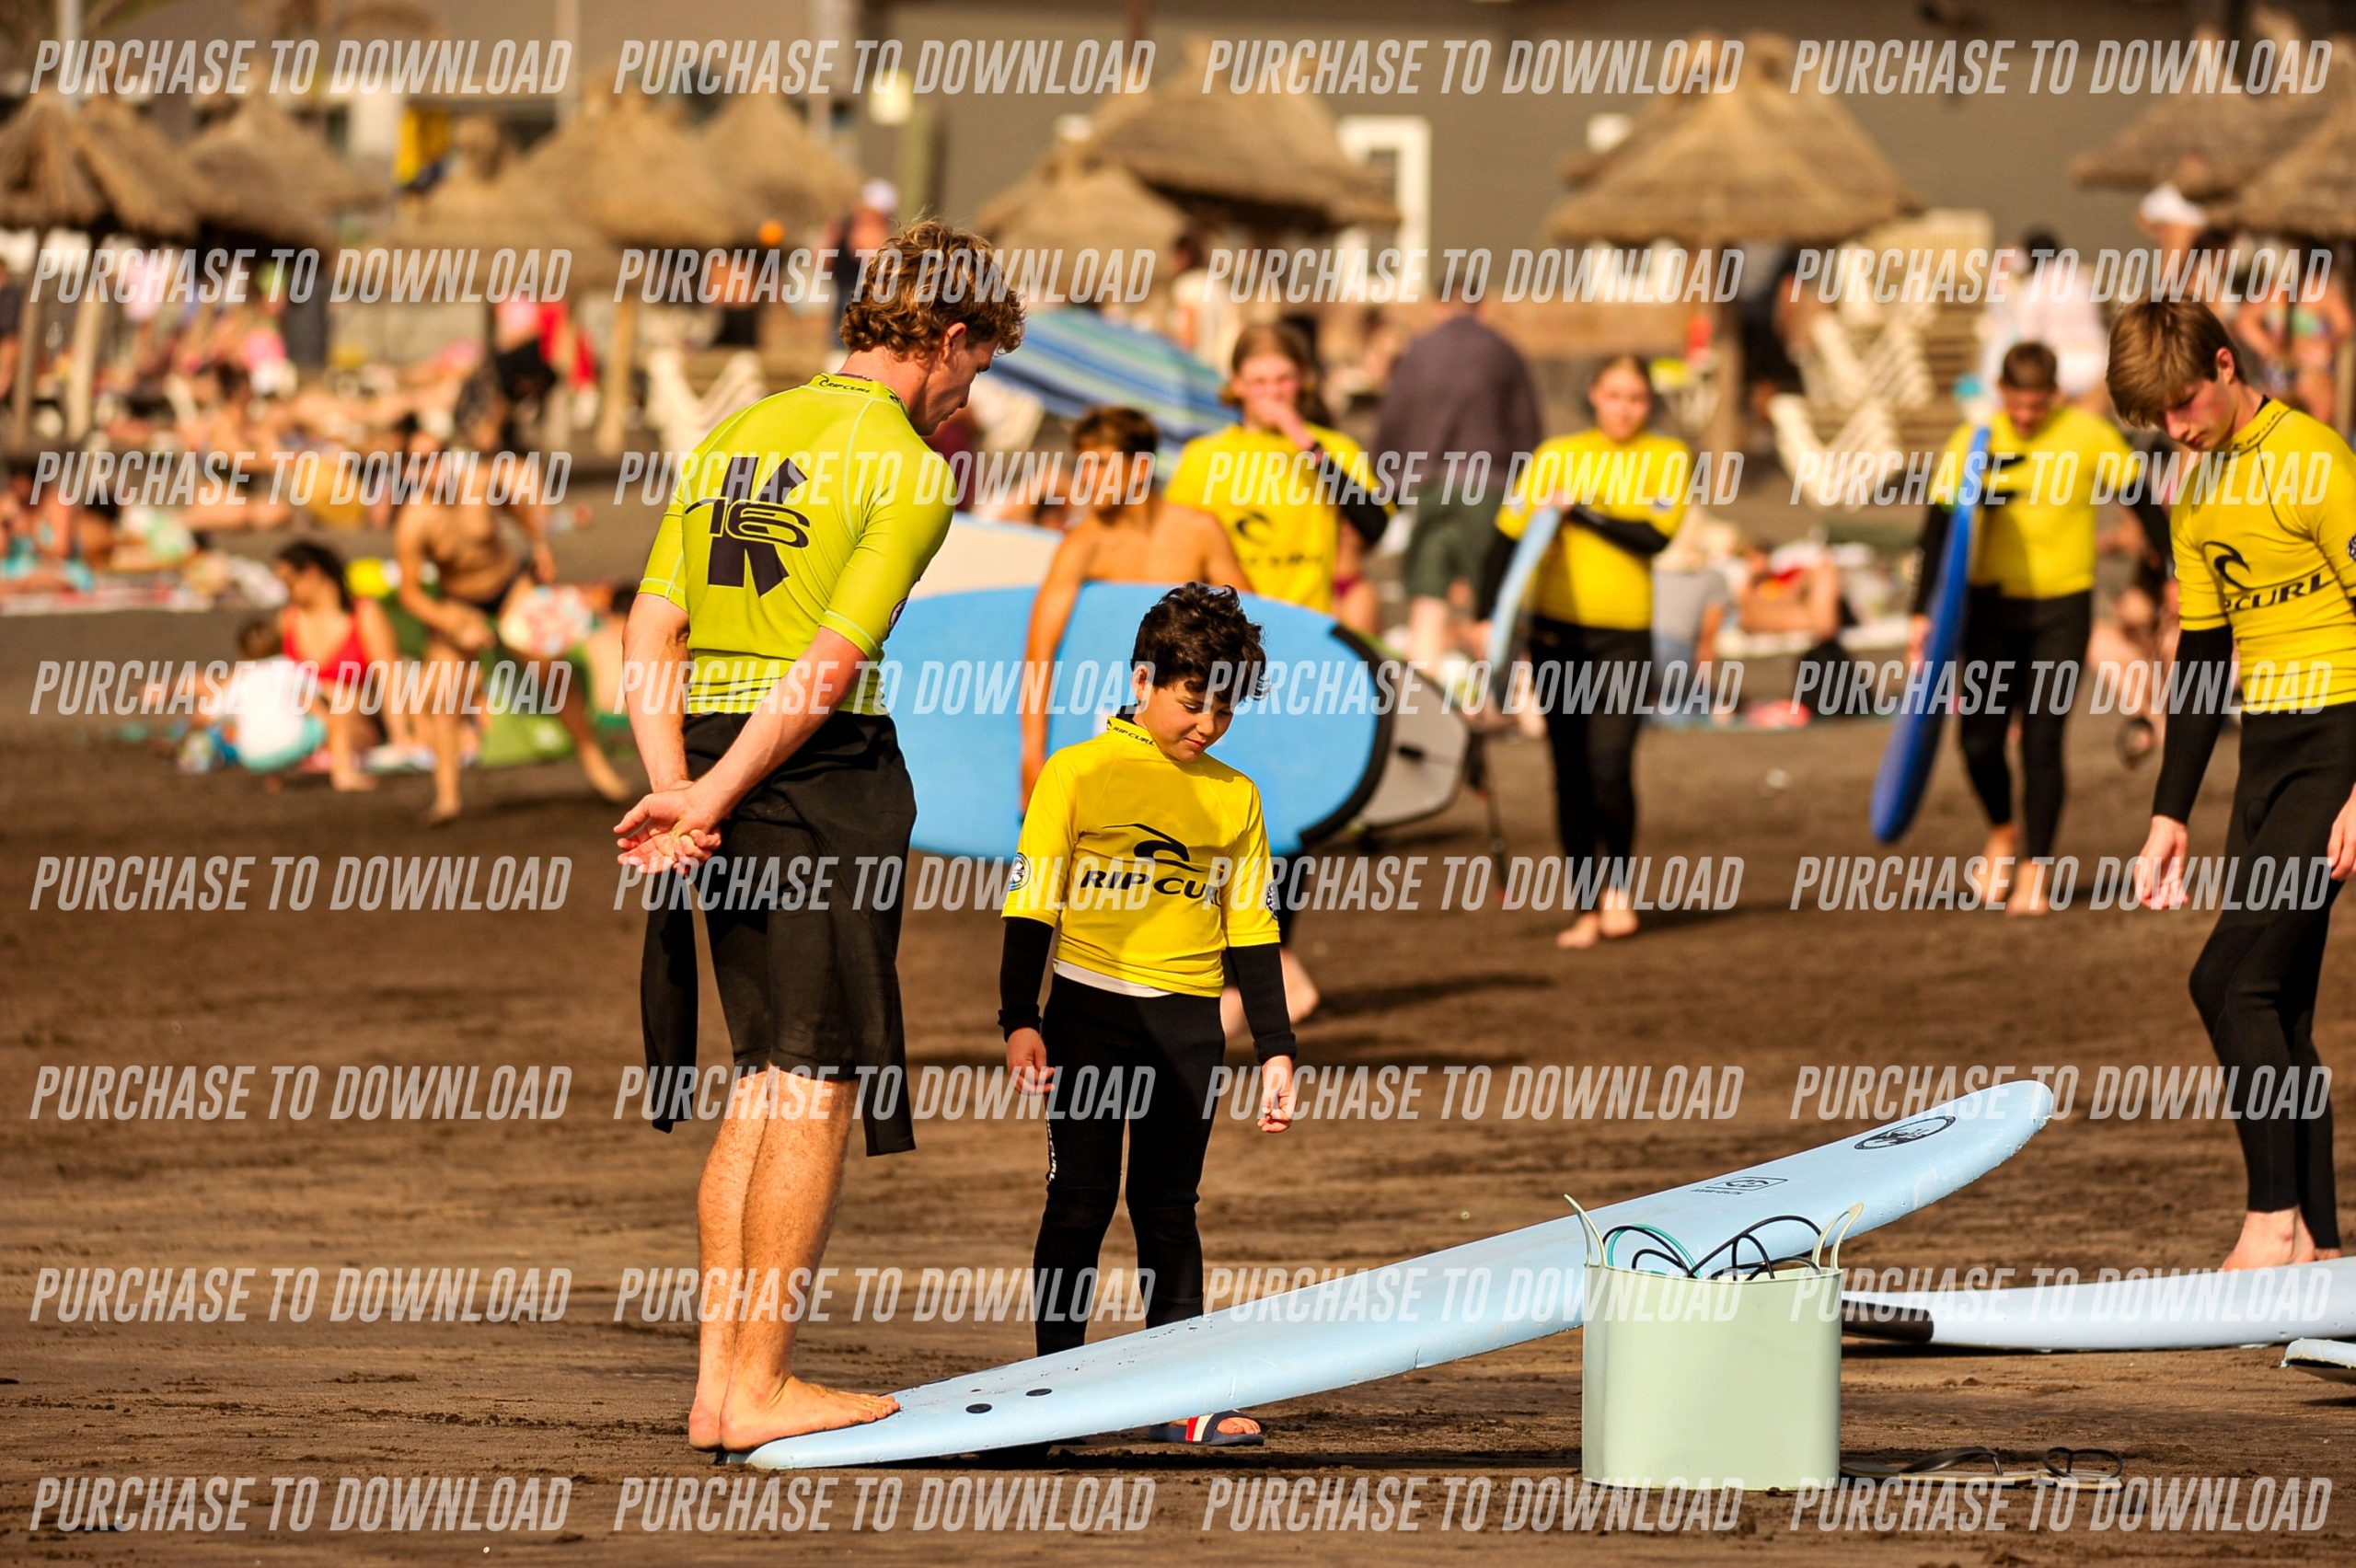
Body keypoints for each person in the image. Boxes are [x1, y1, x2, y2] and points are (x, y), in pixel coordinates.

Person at [614, 219, 1024, 1450]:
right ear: (948, 337)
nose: (969, 395)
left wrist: (679, 787)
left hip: (713, 758)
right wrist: (712, 798)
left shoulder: (736, 433)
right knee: (816, 1080)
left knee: (764, 1076)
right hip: (816, 774)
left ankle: (720, 1387)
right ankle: (759, 1385)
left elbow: (652, 631)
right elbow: (828, 670)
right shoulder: (907, 467)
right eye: (977, 365)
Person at [1000, 583, 1299, 1445]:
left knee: (1169, 1209)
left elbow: (1252, 928)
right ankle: (1050, 1397)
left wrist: (1276, 1046)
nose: (1207, 724)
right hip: (1086, 1017)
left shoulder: (1235, 797)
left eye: (1224, 710)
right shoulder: (1077, 773)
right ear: (1143, 679)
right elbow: (1032, 904)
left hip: (1188, 1026)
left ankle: (1184, 1398)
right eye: (1191, 700)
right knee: (1079, 1203)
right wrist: (1020, 1017)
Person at [2120, 297, 2356, 1271]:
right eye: (2157, 417)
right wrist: (2168, 812)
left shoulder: (2316, 461)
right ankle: (2321, 1252)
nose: (2174, 428)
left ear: (2225, 365)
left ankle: (2271, 1222)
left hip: (2338, 746)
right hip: (2266, 752)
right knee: (2278, 1006)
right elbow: (2203, 659)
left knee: (2227, 980)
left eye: (2182, 403)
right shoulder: (2194, 488)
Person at [1164, 323, 1391, 1021]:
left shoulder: (1332, 449)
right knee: (1215, 811)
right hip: (1223, 655)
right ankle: (1249, 974)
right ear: (1235, 386)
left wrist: (1304, 442)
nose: (1271, 393)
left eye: (1283, 381)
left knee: (1287, 816)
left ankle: (1265, 968)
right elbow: (1176, 549)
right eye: (1258, 381)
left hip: (1305, 650)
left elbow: (1375, 527)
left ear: (1304, 383)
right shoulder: (1206, 458)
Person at [1910, 341, 2160, 915]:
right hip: (1990, 608)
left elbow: (2144, 505)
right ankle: (2003, 829)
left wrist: (2166, 574)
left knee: (2043, 740)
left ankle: (2036, 871)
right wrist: (1921, 614)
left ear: (2055, 395)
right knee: (1978, 742)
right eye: (2017, 405)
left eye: (2037, 406)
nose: (2025, 417)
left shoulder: (2088, 435)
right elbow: (1937, 531)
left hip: (2062, 609)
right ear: (2001, 392)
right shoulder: (1974, 442)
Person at [1477, 355, 1691, 950]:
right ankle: (1587, 906)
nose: (1624, 408)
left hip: (1623, 638)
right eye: (1614, 395)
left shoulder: (1667, 457)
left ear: (1649, 403)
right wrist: (1488, 620)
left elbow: (1653, 536)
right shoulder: (1556, 456)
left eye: (1636, 398)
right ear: (1594, 394)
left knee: (1610, 768)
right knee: (1568, 775)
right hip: (1556, 636)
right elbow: (1506, 539)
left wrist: (1581, 511)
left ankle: (1617, 887)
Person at [393, 368, 628, 823]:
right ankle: (447, 796)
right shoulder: (413, 523)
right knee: (446, 692)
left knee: (551, 675)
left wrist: (540, 545)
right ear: (407, 470)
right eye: (420, 462)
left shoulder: (479, 484)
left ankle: (596, 765)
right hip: (458, 600)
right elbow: (410, 594)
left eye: (436, 457)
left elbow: (518, 510)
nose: (431, 468)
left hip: (508, 585)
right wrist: (451, 622)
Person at [1021, 406, 1250, 806]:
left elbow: (1246, 629)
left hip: (1193, 722)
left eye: (1101, 464)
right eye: (1083, 464)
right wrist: (1032, 757)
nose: (1087, 477)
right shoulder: (1082, 546)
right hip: (1111, 722)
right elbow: (1040, 654)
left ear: (1141, 468)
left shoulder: (1199, 532)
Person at [1372, 290, 1542, 675]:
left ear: (1439, 306)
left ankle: (1422, 687)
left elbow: (1394, 417)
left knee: (1427, 593)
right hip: (1489, 485)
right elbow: (1526, 424)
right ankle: (1508, 695)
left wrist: (1387, 484)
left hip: (1430, 485)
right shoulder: (1502, 351)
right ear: (1482, 307)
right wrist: (1531, 489)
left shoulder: (1420, 351)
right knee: (1493, 599)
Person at [273, 539, 398, 791]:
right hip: (304, 715)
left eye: (289, 582)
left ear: (312, 573)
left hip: (355, 718)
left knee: (342, 697)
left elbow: (389, 676)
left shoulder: (364, 613)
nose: (286, 591)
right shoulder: (287, 619)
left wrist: (401, 737)